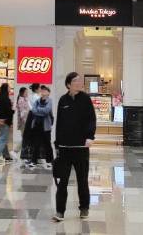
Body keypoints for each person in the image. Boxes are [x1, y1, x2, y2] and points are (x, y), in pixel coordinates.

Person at [53, 72, 96, 222]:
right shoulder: (62, 100)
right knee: (62, 182)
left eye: (79, 80)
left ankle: (84, 208)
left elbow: (91, 119)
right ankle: (60, 211)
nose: (79, 83)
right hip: (65, 148)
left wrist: (90, 136)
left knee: (82, 180)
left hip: (81, 147)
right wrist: (57, 144)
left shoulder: (85, 99)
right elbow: (59, 123)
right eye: (75, 81)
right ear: (68, 84)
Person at [29, 85, 53, 169]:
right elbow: (33, 111)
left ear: (48, 93)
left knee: (47, 144)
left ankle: (49, 161)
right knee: (36, 144)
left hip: (46, 126)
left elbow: (46, 111)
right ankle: (33, 161)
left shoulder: (50, 101)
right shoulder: (37, 101)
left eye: (45, 91)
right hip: (37, 125)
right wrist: (40, 111)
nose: (43, 92)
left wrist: (38, 110)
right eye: (42, 90)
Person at [0, 83, 14, 162]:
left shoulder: (0, 98)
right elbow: (8, 111)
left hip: (0, 120)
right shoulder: (6, 99)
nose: (10, 88)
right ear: (6, 88)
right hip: (5, 121)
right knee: (2, 139)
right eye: (9, 87)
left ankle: (6, 156)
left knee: (3, 138)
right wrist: (13, 110)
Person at [15, 86, 29, 152]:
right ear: (23, 93)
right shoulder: (21, 100)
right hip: (24, 122)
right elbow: (22, 114)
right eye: (26, 92)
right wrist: (26, 122)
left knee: (25, 138)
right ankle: (16, 151)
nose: (27, 93)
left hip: (24, 122)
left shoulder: (24, 100)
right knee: (25, 138)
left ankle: (21, 152)